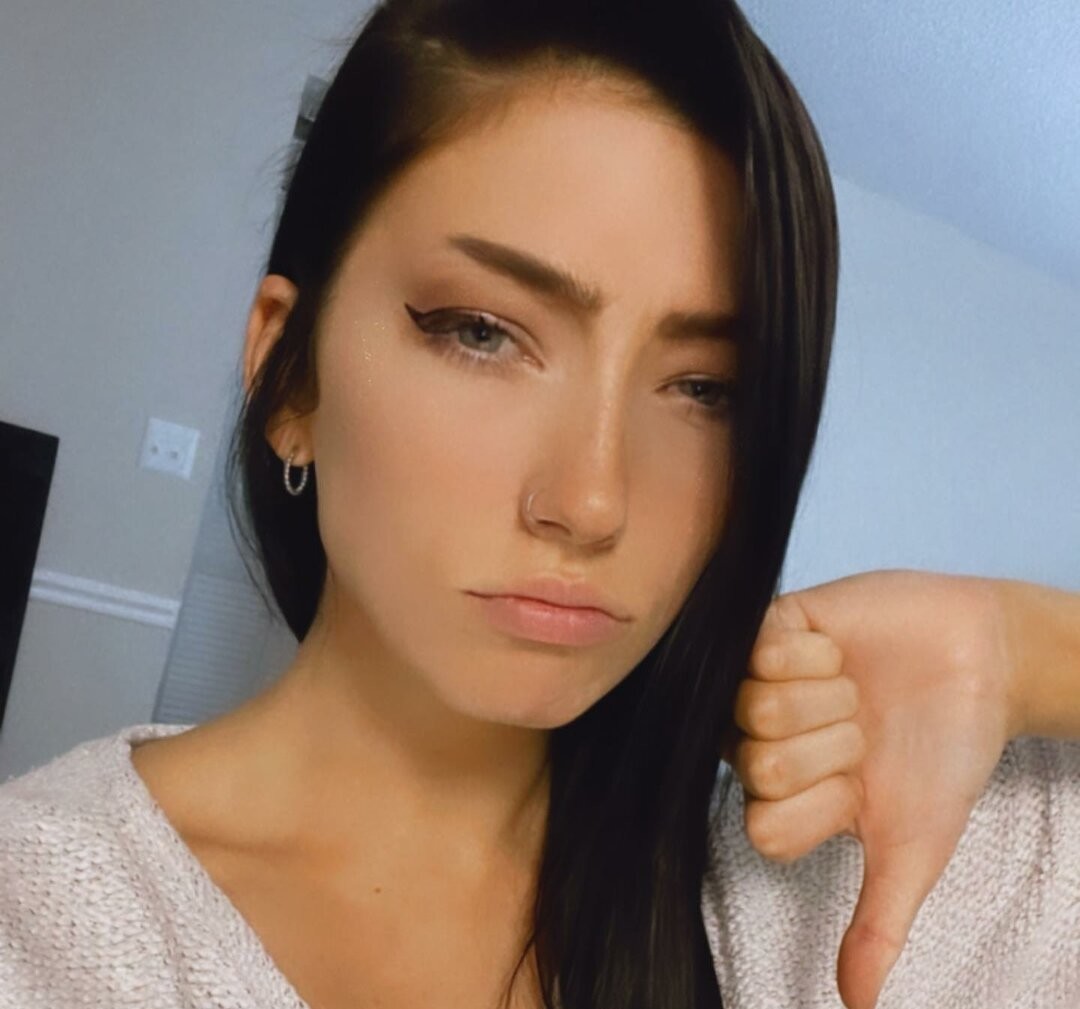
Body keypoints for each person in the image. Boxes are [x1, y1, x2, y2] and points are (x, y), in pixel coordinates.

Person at [0, 1, 1076, 1008]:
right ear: (290, 377)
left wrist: (1017, 648)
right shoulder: (42, 920)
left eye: (705, 389)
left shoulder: (835, 888)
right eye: (483, 332)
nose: (593, 500)